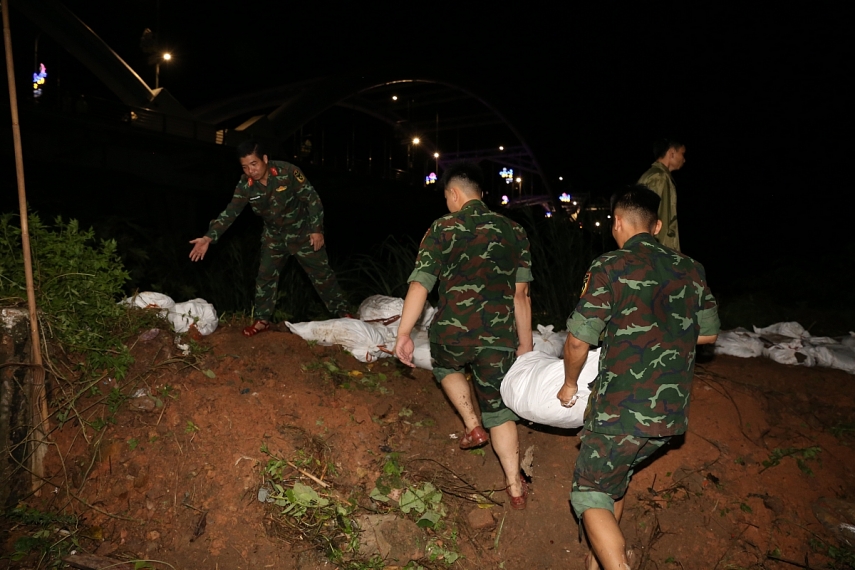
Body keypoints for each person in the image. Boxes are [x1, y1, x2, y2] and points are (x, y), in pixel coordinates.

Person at [557, 185, 719, 570]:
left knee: (590, 491)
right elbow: (709, 333)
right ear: (658, 225)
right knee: (616, 476)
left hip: (619, 412)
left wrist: (569, 383)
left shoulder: (610, 266)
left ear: (616, 223)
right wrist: (665, 332)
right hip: (668, 418)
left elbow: (578, 341)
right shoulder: (691, 269)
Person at [394, 162, 534, 509]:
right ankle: (515, 487)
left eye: (446, 197)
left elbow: (421, 283)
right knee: (500, 411)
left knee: (445, 367)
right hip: (498, 339)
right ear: (481, 194)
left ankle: (472, 425)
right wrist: (525, 345)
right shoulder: (514, 230)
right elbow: (521, 295)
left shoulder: (443, 227)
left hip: (452, 335)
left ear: (453, 194)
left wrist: (404, 332)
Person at [189, 140, 350, 336]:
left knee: (322, 275)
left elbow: (312, 199)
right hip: (274, 237)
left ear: (265, 159)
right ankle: (262, 320)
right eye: (245, 167)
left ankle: (344, 314)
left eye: (254, 164)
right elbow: (231, 212)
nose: (251, 171)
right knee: (265, 277)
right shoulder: (245, 185)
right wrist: (208, 238)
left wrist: (316, 229)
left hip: (303, 234)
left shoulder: (288, 172)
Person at [637, 138, 686, 252]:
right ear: (672, 153)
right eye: (682, 154)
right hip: (657, 254)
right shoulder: (660, 178)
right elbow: (659, 221)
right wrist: (664, 257)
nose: (684, 159)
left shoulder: (655, 175)